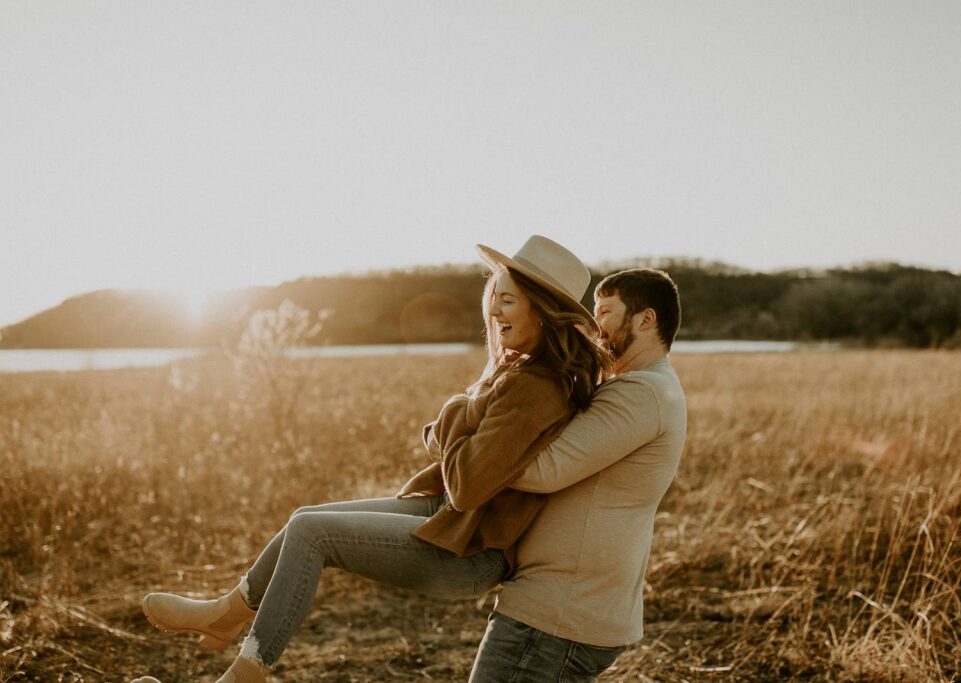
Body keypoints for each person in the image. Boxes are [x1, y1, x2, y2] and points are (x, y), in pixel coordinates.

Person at [131, 235, 612, 683]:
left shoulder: (535, 387)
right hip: (450, 517)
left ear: (543, 312)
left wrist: (454, 411)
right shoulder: (521, 369)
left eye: (508, 300)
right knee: (304, 518)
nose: (494, 310)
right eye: (494, 297)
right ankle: (224, 614)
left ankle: (245, 670)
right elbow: (451, 451)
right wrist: (459, 425)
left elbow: (467, 484)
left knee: (312, 533)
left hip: (471, 550)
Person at [467, 268, 687, 682]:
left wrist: (470, 448)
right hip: (561, 606)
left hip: (559, 613)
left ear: (646, 320)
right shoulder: (641, 386)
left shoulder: (642, 392)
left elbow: (542, 471)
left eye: (605, 312)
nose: (593, 325)